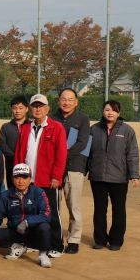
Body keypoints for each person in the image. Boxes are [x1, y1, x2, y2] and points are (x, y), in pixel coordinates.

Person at [14, 94, 67, 257]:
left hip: (48, 180)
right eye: (35, 106)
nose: (37, 109)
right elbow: (19, 153)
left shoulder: (56, 127)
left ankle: (57, 246)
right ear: (30, 109)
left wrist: (56, 176)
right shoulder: (25, 128)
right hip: (29, 180)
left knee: (51, 213)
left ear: (47, 108)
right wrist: (18, 176)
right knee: (30, 212)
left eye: (41, 106)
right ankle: (34, 243)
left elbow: (61, 154)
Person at [88, 100, 140, 251]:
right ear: (103, 111)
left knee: (118, 210)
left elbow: (133, 154)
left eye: (114, 110)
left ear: (119, 113)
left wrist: (134, 174)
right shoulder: (94, 129)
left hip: (119, 178)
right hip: (98, 177)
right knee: (99, 210)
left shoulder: (127, 130)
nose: (110, 113)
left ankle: (116, 240)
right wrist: (82, 171)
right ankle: (100, 240)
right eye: (107, 110)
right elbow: (86, 153)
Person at [0, 164, 53, 268]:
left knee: (45, 227)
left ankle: (43, 254)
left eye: (24, 177)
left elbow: (46, 214)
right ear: (12, 179)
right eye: (17, 177)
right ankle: (20, 246)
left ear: (30, 179)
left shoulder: (38, 192)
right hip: (16, 231)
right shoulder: (5, 195)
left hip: (33, 231)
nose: (20, 181)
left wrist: (27, 222)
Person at [50, 88, 91, 254]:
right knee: (54, 206)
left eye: (70, 99)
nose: (66, 102)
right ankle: (55, 237)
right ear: (58, 101)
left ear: (76, 102)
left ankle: (74, 240)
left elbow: (82, 143)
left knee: (74, 205)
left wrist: (62, 158)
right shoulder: (51, 118)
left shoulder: (82, 119)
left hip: (74, 168)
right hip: (53, 169)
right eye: (63, 99)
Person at [0, 95, 30, 185]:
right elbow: (3, 145)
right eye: (15, 108)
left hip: (28, 164)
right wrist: (15, 158)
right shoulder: (5, 127)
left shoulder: (32, 125)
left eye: (21, 108)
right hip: (11, 165)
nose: (17, 111)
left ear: (26, 109)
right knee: (12, 190)